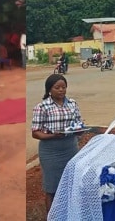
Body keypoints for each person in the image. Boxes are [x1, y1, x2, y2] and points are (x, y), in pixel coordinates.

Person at [31, 74, 83, 214]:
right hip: (51, 151)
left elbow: (78, 124)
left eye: (64, 87)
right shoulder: (42, 107)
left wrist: (79, 130)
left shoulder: (72, 104)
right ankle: (52, 216)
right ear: (49, 90)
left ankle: (69, 214)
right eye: (57, 87)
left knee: (71, 184)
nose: (61, 90)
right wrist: (53, 135)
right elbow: (35, 132)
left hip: (70, 148)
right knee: (52, 187)